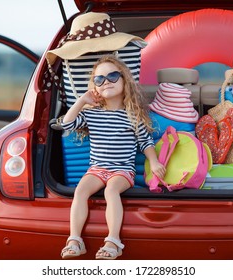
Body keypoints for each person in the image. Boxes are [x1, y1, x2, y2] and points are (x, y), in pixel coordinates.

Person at [60, 55, 166, 260]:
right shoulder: (91, 114)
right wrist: (82, 100)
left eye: (112, 76)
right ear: (95, 87)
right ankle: (74, 239)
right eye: (99, 79)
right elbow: (66, 124)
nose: (106, 81)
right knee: (80, 191)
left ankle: (113, 241)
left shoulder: (132, 115)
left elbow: (145, 142)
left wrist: (154, 161)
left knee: (111, 191)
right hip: (97, 168)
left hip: (122, 170)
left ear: (125, 80)